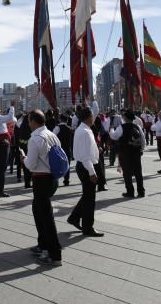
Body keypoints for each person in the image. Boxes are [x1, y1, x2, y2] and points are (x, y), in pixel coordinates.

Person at [23, 109, 62, 266]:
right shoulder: (52, 135)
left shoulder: (35, 138)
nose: (28, 123)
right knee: (38, 210)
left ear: (33, 121)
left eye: (29, 121)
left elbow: (31, 164)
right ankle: (43, 244)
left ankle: (55, 254)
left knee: (46, 216)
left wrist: (22, 158)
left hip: (41, 179)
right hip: (53, 177)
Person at [67, 106, 103, 237]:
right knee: (90, 200)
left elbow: (86, 151)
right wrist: (92, 172)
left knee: (87, 196)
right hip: (86, 167)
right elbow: (86, 156)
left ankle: (74, 218)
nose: (94, 117)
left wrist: (96, 151)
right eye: (92, 115)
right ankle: (88, 227)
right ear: (89, 117)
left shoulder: (82, 129)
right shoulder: (85, 132)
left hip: (83, 165)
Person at [110, 110, 145, 198]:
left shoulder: (122, 127)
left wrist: (111, 129)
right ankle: (141, 191)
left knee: (127, 172)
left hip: (126, 152)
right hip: (136, 152)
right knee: (138, 172)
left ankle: (130, 191)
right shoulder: (137, 126)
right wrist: (141, 149)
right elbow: (143, 139)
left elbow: (114, 136)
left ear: (125, 118)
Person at [53, 114, 72, 186]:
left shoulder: (57, 128)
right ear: (67, 120)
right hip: (68, 149)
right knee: (67, 165)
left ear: (60, 119)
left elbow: (53, 137)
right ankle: (66, 180)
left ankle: (56, 180)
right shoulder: (70, 128)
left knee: (57, 165)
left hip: (59, 149)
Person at [16, 111, 32, 187]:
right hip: (29, 147)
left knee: (25, 166)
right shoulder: (29, 126)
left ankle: (26, 182)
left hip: (22, 147)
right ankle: (28, 182)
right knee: (29, 165)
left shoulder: (21, 125)